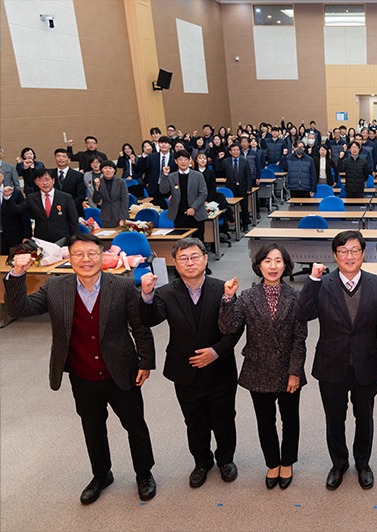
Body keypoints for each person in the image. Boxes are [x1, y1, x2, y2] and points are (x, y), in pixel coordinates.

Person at [4, 233, 157, 504]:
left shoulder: (121, 287)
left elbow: (140, 326)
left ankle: (144, 473)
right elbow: (21, 308)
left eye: (92, 253)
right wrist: (16, 274)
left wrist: (146, 361)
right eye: (78, 254)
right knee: (92, 427)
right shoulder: (55, 287)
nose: (85, 259)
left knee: (135, 425)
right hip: (82, 374)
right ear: (69, 257)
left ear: (103, 256)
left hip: (121, 370)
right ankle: (101, 474)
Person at [138, 239, 242, 488]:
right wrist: (147, 294)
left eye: (195, 256)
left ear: (205, 259)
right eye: (183, 258)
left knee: (224, 417)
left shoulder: (222, 289)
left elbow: (235, 328)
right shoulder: (164, 292)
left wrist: (216, 352)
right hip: (184, 370)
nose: (190, 262)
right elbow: (150, 320)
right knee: (194, 421)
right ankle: (202, 461)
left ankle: (226, 460)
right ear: (176, 263)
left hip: (220, 368)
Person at [296, 230, 377, 491]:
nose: (349, 256)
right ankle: (338, 464)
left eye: (354, 251)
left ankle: (363, 463)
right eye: (343, 251)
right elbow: (303, 313)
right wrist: (312, 281)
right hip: (331, 365)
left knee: (365, 418)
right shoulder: (323, 283)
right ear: (334, 255)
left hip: (367, 363)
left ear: (363, 254)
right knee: (334, 419)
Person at [219, 243, 307, 490]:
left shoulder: (296, 297)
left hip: (288, 368)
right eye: (267, 261)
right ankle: (272, 463)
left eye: (278, 261)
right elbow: (227, 327)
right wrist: (228, 298)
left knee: (290, 420)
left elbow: (300, 338)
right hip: (257, 369)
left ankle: (287, 461)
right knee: (265, 421)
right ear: (259, 265)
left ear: (286, 265)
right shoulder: (246, 297)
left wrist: (295, 372)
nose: (273, 266)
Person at [3, 168, 78, 246]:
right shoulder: (31, 198)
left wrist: (74, 241)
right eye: (40, 180)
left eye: (47, 179)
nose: (45, 183)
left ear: (53, 180)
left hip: (63, 239)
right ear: (36, 182)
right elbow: (16, 210)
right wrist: (8, 197)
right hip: (42, 240)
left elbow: (73, 221)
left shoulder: (65, 197)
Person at [161, 150, 208, 243]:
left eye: (185, 159)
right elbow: (163, 190)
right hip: (179, 214)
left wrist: (193, 208)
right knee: (182, 242)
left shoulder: (198, 175)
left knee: (198, 241)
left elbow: (203, 193)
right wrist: (165, 175)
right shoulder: (171, 176)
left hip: (196, 213)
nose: (183, 162)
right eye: (180, 159)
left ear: (190, 160)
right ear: (176, 161)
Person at [136, 136, 176, 209]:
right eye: (161, 143)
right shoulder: (152, 157)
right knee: (157, 209)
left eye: (166, 143)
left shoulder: (175, 158)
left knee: (171, 210)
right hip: (155, 188)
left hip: (170, 188)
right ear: (158, 145)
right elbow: (143, 170)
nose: (163, 145)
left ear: (170, 146)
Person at [221, 144, 252, 230]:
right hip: (230, 187)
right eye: (234, 150)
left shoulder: (244, 161)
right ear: (230, 152)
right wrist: (219, 159)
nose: (236, 152)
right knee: (228, 207)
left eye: (237, 150)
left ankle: (245, 224)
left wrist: (249, 188)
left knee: (244, 206)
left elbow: (248, 176)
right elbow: (219, 171)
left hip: (242, 187)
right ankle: (229, 224)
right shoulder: (225, 161)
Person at [91, 161, 128, 228]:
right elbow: (96, 200)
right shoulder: (98, 182)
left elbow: (125, 200)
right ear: (101, 170)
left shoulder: (121, 182)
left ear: (114, 170)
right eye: (105, 168)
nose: (108, 170)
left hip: (119, 214)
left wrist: (123, 218)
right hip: (106, 216)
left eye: (110, 168)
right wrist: (97, 188)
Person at [52, 148, 86, 216]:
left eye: (64, 156)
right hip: (54, 211)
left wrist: (67, 206)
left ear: (69, 160)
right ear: (55, 159)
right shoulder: (50, 174)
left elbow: (81, 196)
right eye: (58, 156)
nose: (61, 159)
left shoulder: (78, 175)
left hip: (74, 210)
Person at [0, 185, 32, 254]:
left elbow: (24, 215)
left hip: (14, 237)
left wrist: (27, 235)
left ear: (2, 176)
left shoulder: (15, 193)